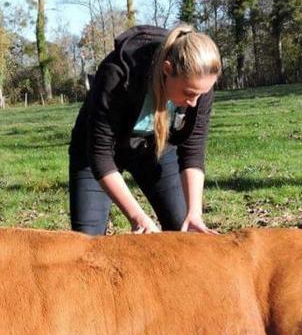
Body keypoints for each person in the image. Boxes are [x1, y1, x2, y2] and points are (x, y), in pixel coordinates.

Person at [68, 24, 222, 235]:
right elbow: (100, 154)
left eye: (201, 94)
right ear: (167, 70)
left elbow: (192, 150)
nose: (194, 102)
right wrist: (138, 217)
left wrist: (195, 212)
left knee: (183, 230)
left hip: (155, 149)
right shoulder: (118, 74)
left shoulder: (200, 86)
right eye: (189, 93)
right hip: (96, 153)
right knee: (87, 241)